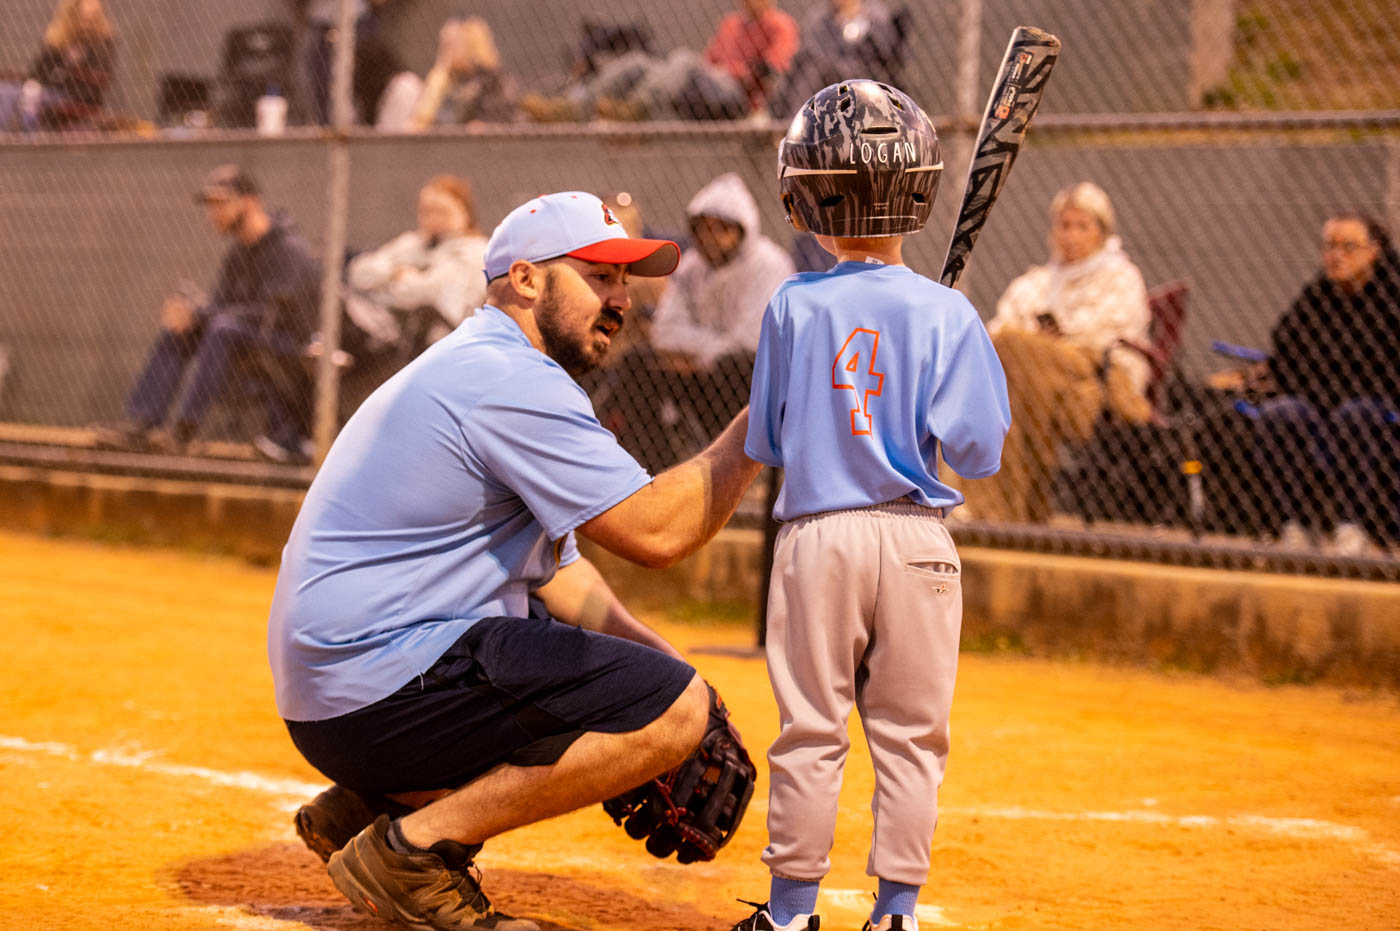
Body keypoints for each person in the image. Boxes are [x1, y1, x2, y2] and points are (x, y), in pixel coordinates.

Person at [268, 191, 765, 930]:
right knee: (669, 706)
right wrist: (764, 417)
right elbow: (658, 533)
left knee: (653, 685)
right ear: (527, 279)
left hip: (340, 690)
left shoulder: (485, 362)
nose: (621, 300)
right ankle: (413, 849)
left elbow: (560, 577)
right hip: (373, 686)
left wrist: (676, 678)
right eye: (599, 276)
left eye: (625, 281)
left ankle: (372, 806)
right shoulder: (510, 379)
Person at [732, 79, 1010, 931]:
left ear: (806, 195)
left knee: (811, 729)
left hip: (819, 536)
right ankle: (896, 914)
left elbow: (768, 441)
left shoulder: (792, 303)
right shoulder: (949, 312)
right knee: (913, 737)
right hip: (920, 540)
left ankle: (790, 914)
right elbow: (980, 451)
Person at [95, 165, 320, 461]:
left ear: (250, 202)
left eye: (221, 203)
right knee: (181, 330)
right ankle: (142, 422)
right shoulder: (239, 252)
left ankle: (183, 431)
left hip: (288, 345)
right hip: (239, 336)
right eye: (210, 205)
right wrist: (193, 313)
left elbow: (273, 315)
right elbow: (220, 304)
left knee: (223, 328)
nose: (213, 213)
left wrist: (206, 316)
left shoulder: (289, 248)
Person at [957, 181, 1151, 524]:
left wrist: (1048, 344)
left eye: (1082, 226)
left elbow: (1109, 334)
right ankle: (1006, 515)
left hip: (1095, 374)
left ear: (1102, 231)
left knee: (1013, 350)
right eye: (1064, 225)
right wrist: (1036, 346)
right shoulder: (1037, 282)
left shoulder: (1120, 277)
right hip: (1034, 382)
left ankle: (1002, 512)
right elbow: (995, 332)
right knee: (1007, 376)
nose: (1071, 236)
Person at [1211, 212, 1400, 555]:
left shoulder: (1392, 296)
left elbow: (1383, 370)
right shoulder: (1319, 293)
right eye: (1329, 246)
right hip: (1319, 399)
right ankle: (1296, 523)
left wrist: (1329, 374)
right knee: (1281, 414)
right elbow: (1286, 349)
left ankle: (1351, 525)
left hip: (1377, 404)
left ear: (1374, 250)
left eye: (1348, 247)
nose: (1335, 256)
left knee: (1354, 415)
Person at [599, 172, 795, 472]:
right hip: (698, 372)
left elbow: (752, 339)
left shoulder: (768, 264)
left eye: (720, 229)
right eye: (702, 228)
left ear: (742, 230)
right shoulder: (692, 264)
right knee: (636, 362)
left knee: (735, 364)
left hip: (750, 380)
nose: (709, 237)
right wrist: (702, 353)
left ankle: (742, 463)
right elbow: (664, 330)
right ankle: (657, 468)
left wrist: (698, 355)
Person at [521, 0, 797, 122]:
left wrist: (731, 70)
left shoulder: (780, 25)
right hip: (707, 85)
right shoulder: (731, 23)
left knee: (683, 58)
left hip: (739, 95)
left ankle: (638, 106)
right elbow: (708, 61)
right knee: (639, 62)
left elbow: (773, 70)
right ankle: (575, 105)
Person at [341, 174, 488, 366]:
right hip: (394, 340)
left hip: (447, 345)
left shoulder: (475, 252)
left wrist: (389, 286)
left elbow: (429, 296)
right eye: (427, 211)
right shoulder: (413, 243)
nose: (433, 218)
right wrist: (394, 272)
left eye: (441, 211)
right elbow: (359, 272)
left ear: (465, 212)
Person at [769, 0, 905, 117]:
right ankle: (790, 118)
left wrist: (856, 21)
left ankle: (798, 119)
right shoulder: (821, 17)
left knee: (815, 69)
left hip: (863, 74)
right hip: (824, 72)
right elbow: (810, 48)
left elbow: (884, 53)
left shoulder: (873, 14)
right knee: (804, 65)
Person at [0, 0, 117, 132]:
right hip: (50, 90)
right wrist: (34, 85)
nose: (86, 24)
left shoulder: (102, 44)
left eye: (92, 18)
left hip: (76, 96)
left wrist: (63, 75)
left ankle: (29, 135)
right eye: (83, 18)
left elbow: (90, 81)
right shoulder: (59, 40)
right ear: (71, 16)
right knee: (4, 90)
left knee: (14, 95)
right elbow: (38, 71)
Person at [391, 16, 521, 130]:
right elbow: (422, 122)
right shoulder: (443, 81)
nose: (444, 50)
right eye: (443, 44)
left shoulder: (494, 81)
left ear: (470, 45)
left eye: (450, 44)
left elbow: (496, 122)